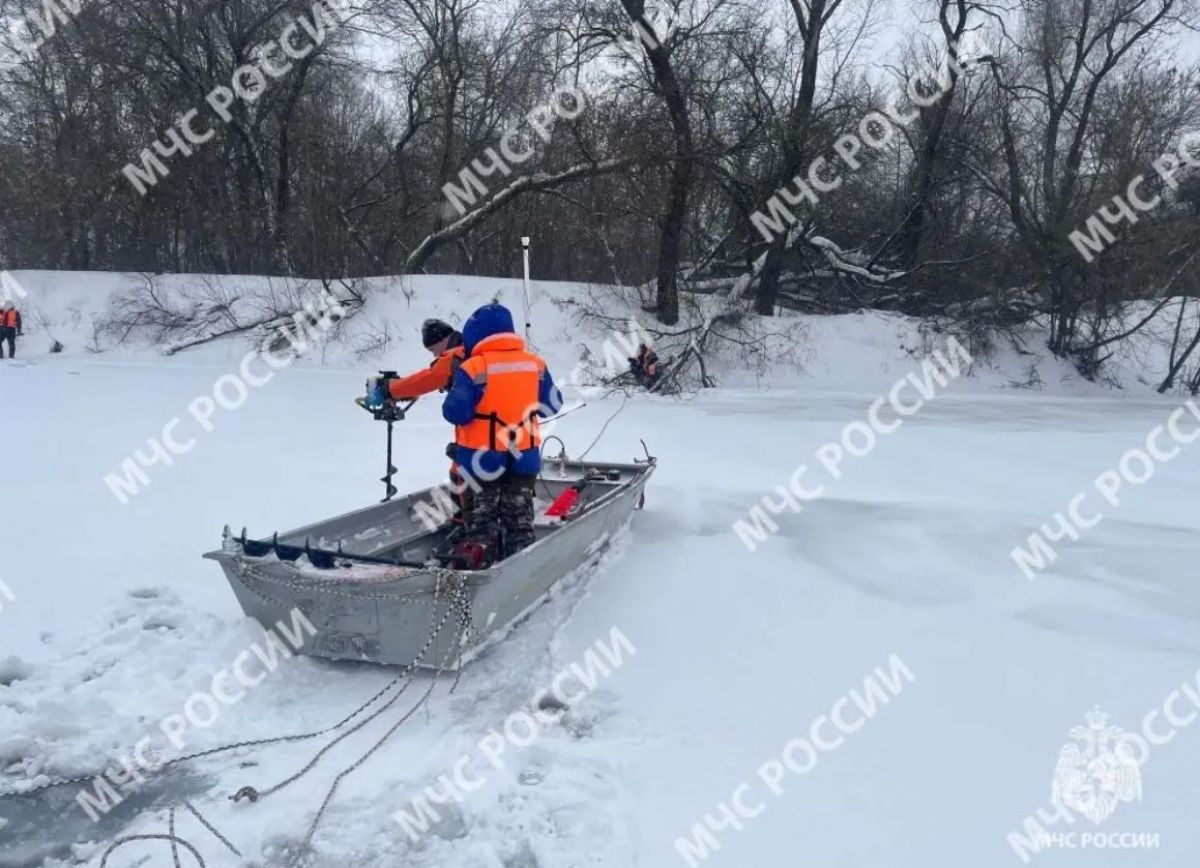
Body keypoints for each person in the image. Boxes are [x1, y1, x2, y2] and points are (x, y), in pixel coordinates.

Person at [441, 303, 563, 569]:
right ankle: (522, 570)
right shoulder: (536, 364)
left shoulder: (474, 368)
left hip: (482, 461)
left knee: (481, 524)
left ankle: (479, 576)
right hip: (524, 457)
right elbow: (553, 405)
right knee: (519, 519)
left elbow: (455, 412)